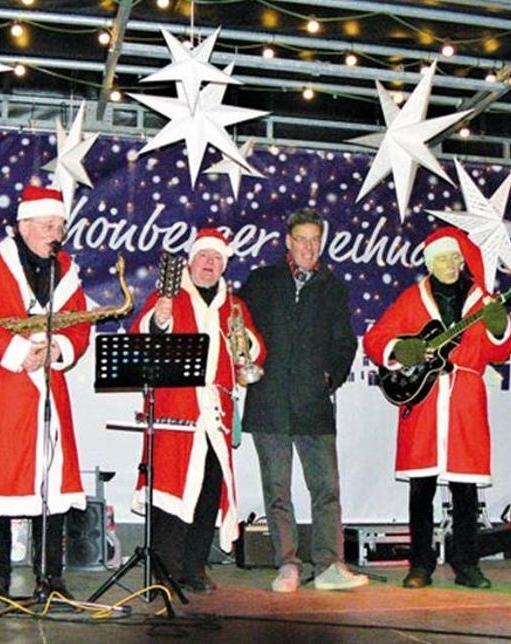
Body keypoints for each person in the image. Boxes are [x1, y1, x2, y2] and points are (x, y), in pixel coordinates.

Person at [0, 184, 90, 603]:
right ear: (24, 224)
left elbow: (80, 324)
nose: (56, 232)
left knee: (52, 486)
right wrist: (17, 352)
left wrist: (59, 348)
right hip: (3, 389)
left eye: (60, 225)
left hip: (49, 388)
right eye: (48, 225)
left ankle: (51, 576)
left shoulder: (65, 270)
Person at [363, 226, 511, 590]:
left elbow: (501, 351)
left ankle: (467, 564)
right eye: (443, 258)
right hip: (424, 401)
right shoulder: (412, 298)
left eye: (456, 258)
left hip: (465, 399)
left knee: (465, 492)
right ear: (430, 263)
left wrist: (497, 323)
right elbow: (375, 340)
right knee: (422, 489)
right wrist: (405, 350)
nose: (451, 264)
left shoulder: (482, 299)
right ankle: (420, 564)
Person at [130, 228, 265, 594]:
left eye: (218, 259)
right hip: (177, 408)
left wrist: (245, 344)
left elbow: (255, 352)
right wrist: (159, 320)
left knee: (208, 492)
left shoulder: (234, 306)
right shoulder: (168, 295)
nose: (210, 263)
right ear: (190, 261)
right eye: (205, 256)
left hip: (215, 414)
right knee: (171, 492)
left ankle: (194, 568)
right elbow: (139, 337)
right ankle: (165, 569)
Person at [240, 209, 368, 593]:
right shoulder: (261, 281)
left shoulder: (334, 287)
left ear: (322, 243)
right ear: (288, 242)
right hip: (269, 402)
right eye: (302, 239)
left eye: (315, 239)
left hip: (314, 404)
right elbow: (237, 326)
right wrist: (244, 361)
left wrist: (329, 378)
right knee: (277, 491)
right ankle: (288, 565)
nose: (309, 247)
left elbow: (346, 343)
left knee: (326, 488)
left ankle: (329, 564)